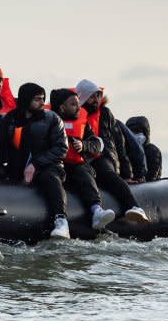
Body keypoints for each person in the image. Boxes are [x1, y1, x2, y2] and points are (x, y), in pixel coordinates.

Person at [0, 83, 70, 239]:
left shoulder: (52, 118)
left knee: (50, 177)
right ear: (26, 100)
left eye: (43, 99)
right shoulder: (8, 120)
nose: (42, 103)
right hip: (16, 168)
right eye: (37, 99)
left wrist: (35, 164)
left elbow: (61, 148)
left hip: (47, 166)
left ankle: (61, 221)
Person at [49, 88, 142, 230]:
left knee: (85, 174)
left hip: (78, 164)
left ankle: (97, 210)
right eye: (74, 104)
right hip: (54, 165)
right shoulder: (48, 122)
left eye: (77, 104)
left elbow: (98, 143)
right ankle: (60, 220)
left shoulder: (83, 123)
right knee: (52, 177)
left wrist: (84, 145)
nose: (78, 107)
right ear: (62, 108)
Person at [76, 80, 150, 224]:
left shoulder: (105, 114)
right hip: (82, 161)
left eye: (97, 96)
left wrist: (127, 174)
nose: (95, 100)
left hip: (104, 157)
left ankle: (134, 207)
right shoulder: (74, 115)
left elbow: (120, 145)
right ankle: (95, 211)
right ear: (82, 97)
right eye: (91, 97)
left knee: (106, 173)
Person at [126, 116, 162, 181]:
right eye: (131, 132)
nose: (133, 135)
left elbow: (152, 176)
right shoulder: (125, 150)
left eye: (137, 131)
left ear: (145, 134)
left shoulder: (152, 151)